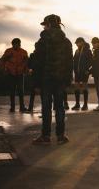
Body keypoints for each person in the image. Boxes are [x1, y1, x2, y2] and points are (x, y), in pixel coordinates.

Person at [32, 14, 73, 145]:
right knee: (60, 107)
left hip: (46, 80)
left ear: (49, 25)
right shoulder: (66, 42)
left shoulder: (42, 41)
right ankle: (60, 136)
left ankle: (45, 136)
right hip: (60, 80)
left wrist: (36, 82)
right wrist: (67, 81)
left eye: (45, 25)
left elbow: (37, 63)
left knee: (46, 108)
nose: (44, 27)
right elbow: (69, 64)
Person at [1, 38, 28, 112]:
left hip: (20, 74)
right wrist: (4, 70)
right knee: (12, 91)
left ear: (19, 44)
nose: (16, 45)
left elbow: (26, 63)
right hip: (11, 74)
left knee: (21, 91)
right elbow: (2, 60)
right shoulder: (8, 51)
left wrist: (25, 71)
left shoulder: (24, 52)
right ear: (12, 44)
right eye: (14, 44)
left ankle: (22, 107)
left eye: (17, 44)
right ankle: (12, 107)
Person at [72, 37, 92, 111]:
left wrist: (88, 70)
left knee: (84, 87)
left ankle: (85, 105)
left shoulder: (88, 50)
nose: (77, 44)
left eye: (77, 43)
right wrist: (74, 69)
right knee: (76, 87)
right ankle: (77, 104)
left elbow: (91, 61)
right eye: (76, 43)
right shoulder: (77, 51)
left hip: (84, 72)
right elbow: (74, 60)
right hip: (77, 72)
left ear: (82, 42)